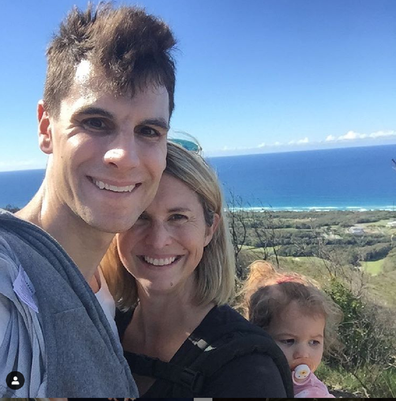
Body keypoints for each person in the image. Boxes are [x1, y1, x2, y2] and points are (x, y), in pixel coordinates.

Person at [0, 2, 177, 398]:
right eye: (96, 123)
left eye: (149, 131)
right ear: (46, 128)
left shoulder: (111, 291)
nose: (124, 156)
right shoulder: (9, 283)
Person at [101, 142, 293, 398]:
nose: (158, 240)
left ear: (209, 228)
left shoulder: (246, 368)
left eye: (178, 217)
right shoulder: (102, 332)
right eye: (139, 217)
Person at [243, 260, 343, 398]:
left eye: (314, 342)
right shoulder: (241, 375)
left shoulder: (312, 392)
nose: (303, 354)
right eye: (289, 341)